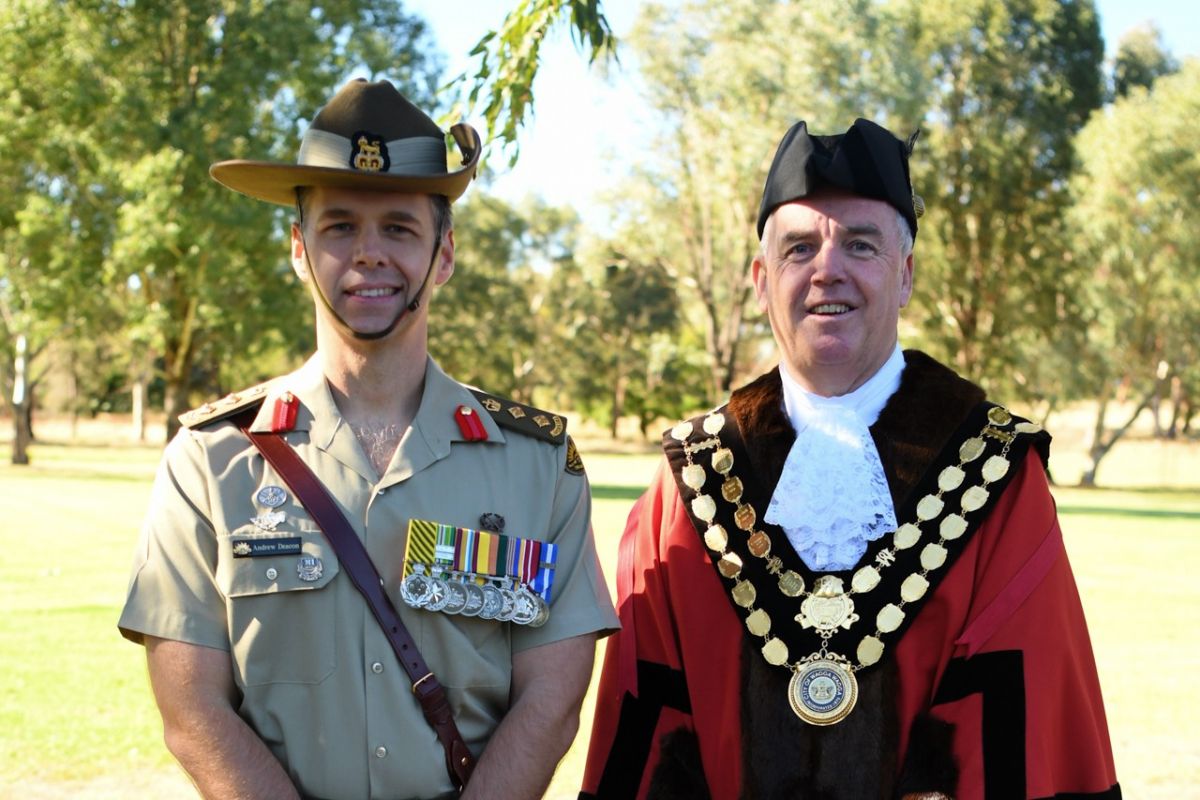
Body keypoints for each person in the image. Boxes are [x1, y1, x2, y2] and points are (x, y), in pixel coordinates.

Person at [580, 120, 1120, 799]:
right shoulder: (685, 486)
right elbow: (648, 732)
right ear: (760, 280)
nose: (827, 269)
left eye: (860, 245)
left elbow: (1018, 729)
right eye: (799, 247)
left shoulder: (999, 477)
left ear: (907, 276)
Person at [118, 78, 618, 800]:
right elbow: (191, 709)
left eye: (400, 229)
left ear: (443, 255)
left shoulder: (537, 468)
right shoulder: (209, 462)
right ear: (300, 250)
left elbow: (552, 700)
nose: (369, 254)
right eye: (340, 226)